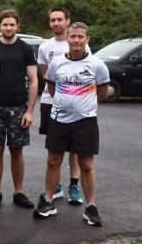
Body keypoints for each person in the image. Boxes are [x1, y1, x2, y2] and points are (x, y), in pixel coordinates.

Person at [34, 22, 109, 227]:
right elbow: (51, 87)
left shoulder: (97, 65)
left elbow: (101, 92)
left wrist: (83, 106)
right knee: (53, 161)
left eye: (80, 37)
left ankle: (91, 207)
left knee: (86, 164)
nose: (76, 40)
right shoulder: (56, 63)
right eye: (73, 36)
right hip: (59, 120)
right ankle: (48, 201)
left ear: (87, 39)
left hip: (85, 122)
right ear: (67, 38)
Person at [0, 9, 38, 209]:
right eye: (5, 24)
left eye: (12, 24)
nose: (8, 27)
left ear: (18, 26)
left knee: (17, 150)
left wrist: (30, 111)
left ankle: (18, 192)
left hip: (18, 106)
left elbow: (33, 81)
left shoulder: (25, 49)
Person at [37, 7, 89, 204]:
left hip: (76, 104)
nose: (56, 23)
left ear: (68, 21)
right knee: (54, 148)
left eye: (59, 19)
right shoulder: (44, 47)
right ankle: (55, 186)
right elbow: (46, 76)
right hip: (50, 103)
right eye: (52, 20)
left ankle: (74, 186)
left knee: (75, 148)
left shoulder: (78, 44)